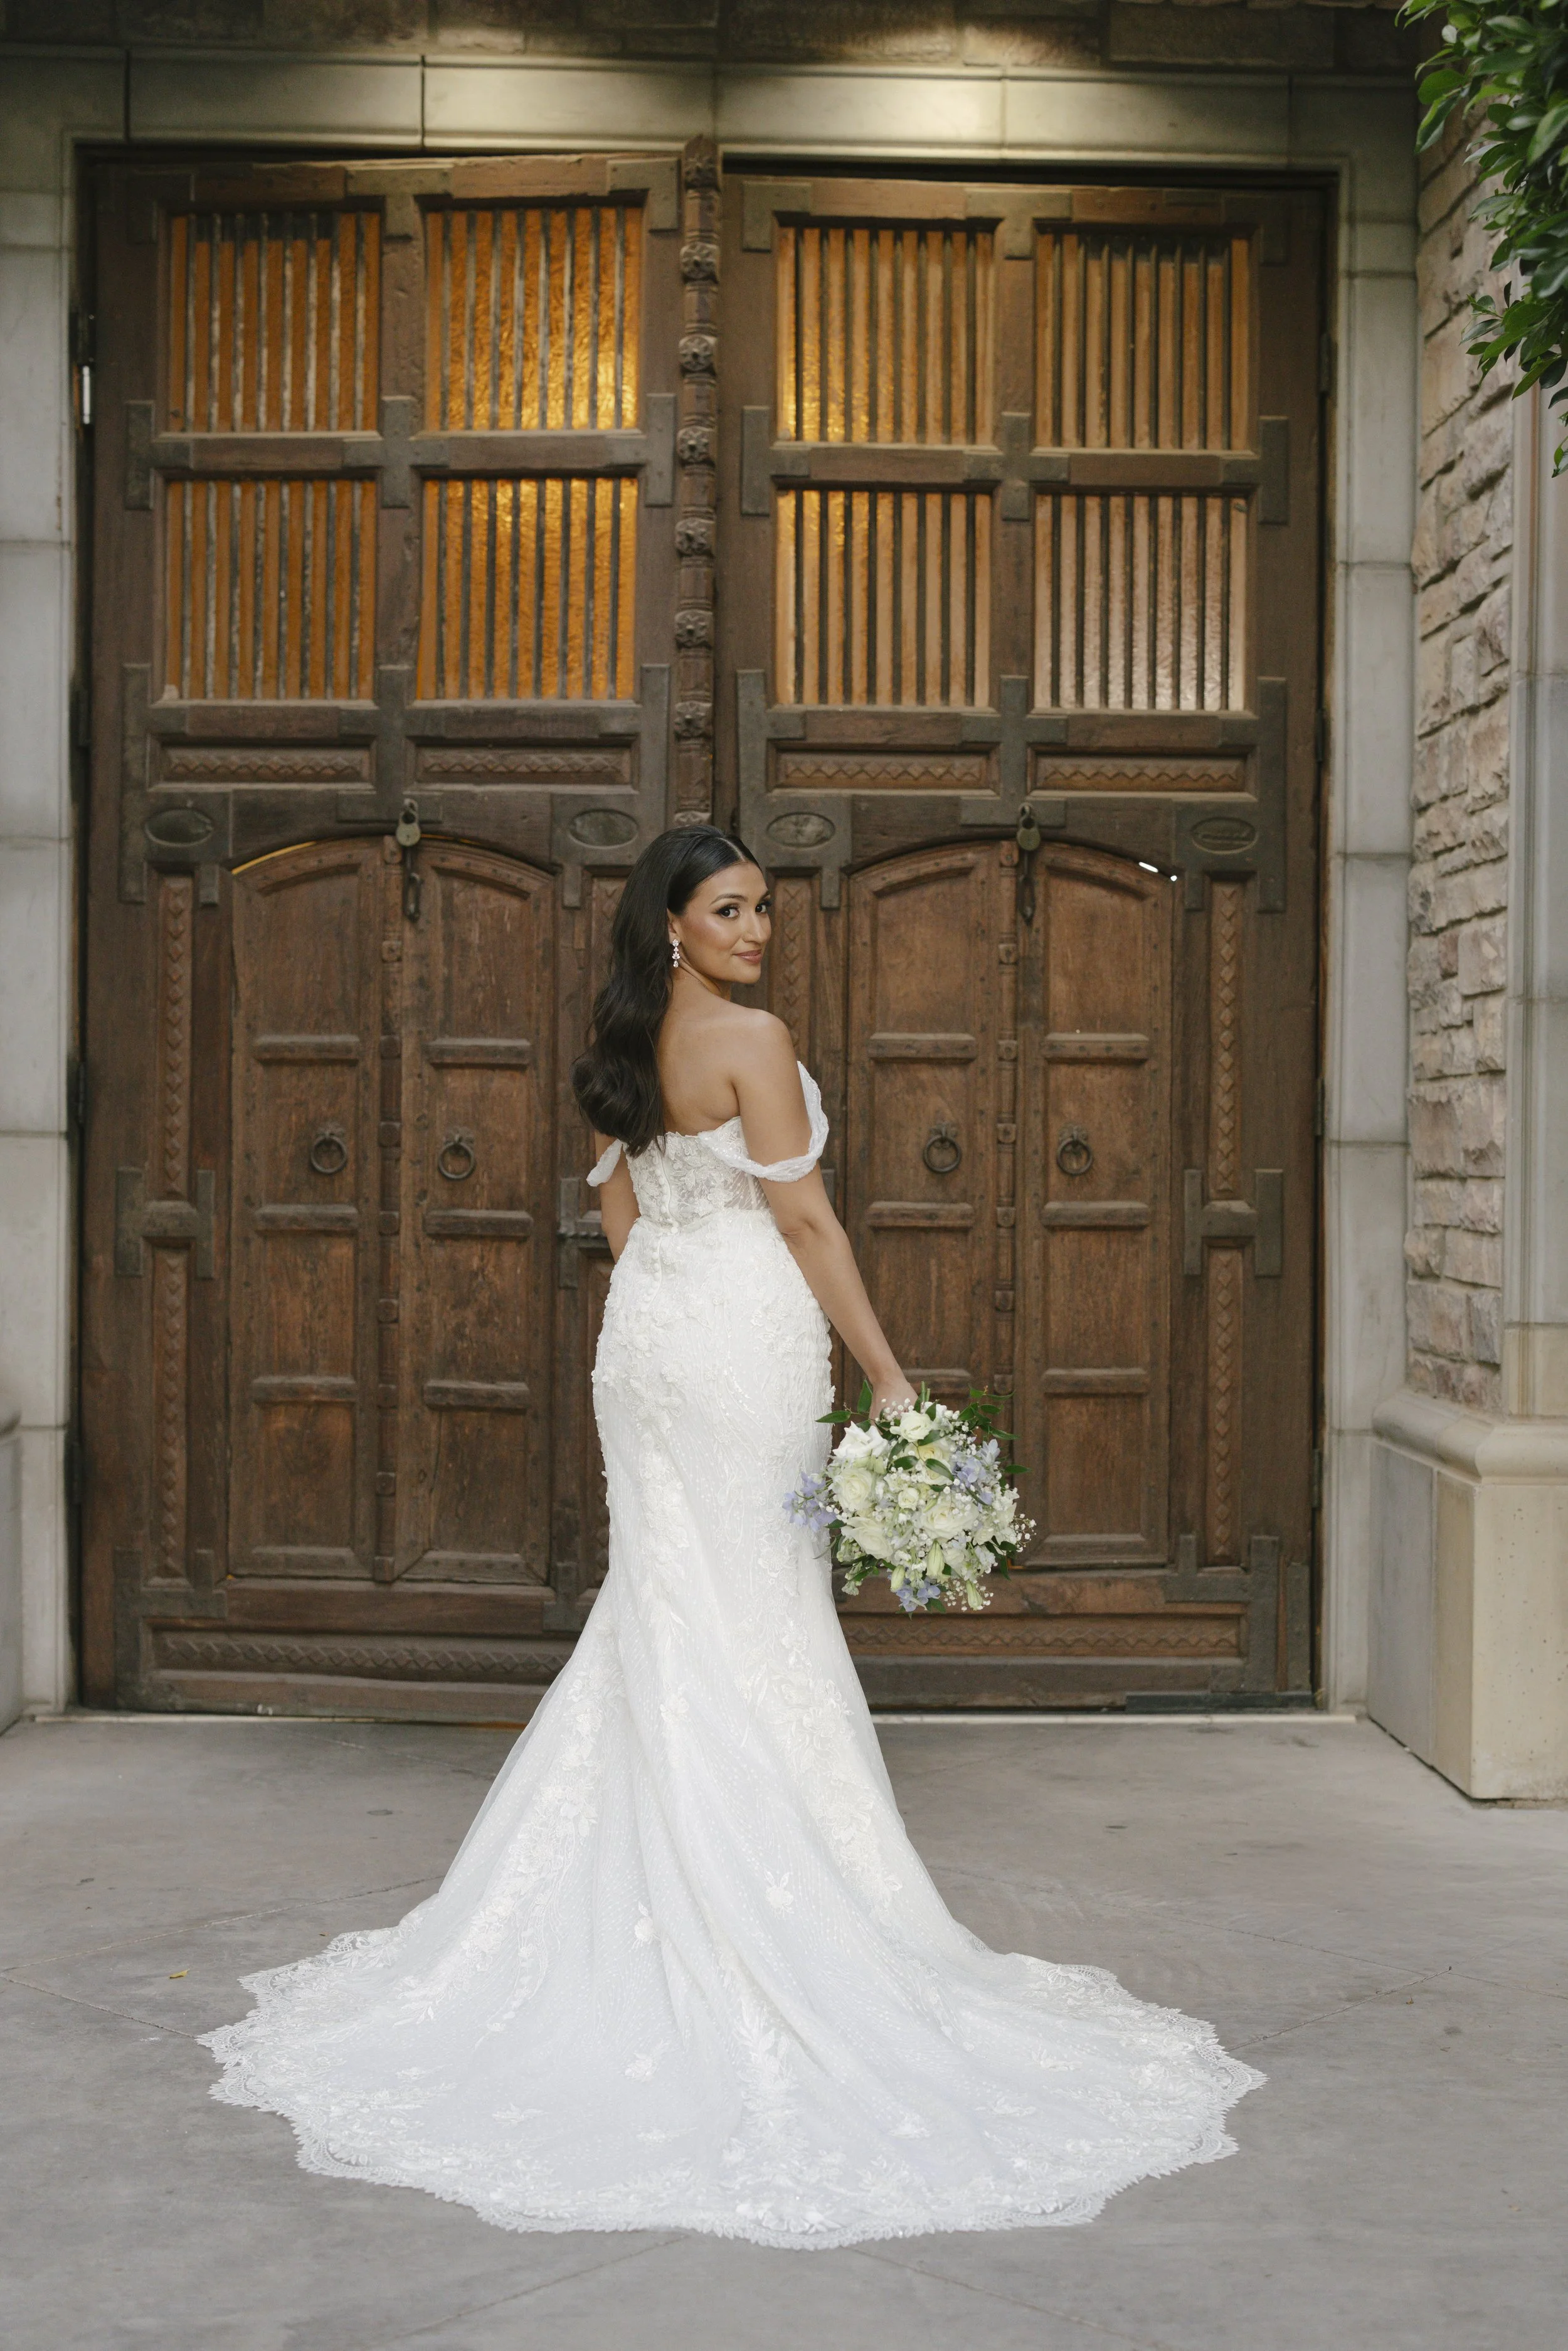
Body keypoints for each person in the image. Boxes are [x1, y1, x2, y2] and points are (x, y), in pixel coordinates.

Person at [201, 824, 1261, 2248]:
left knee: (673, 1604)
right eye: (729, 907)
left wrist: (671, 1312)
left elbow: (619, 1204)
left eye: (763, 905)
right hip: (739, 1346)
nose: (758, 926)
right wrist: (887, 1378)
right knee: (749, 1609)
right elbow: (809, 1221)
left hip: (650, 1346)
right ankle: (763, 1900)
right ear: (673, 925)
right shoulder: (750, 1042)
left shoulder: (622, 1042)